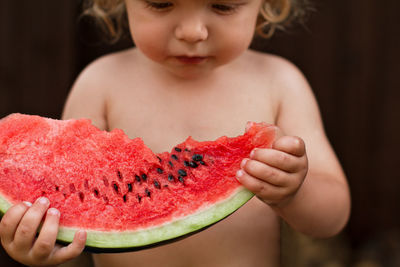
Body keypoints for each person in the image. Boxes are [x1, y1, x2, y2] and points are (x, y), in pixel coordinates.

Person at [0, 0, 351, 266]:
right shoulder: (100, 83)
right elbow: (64, 204)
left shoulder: (280, 83)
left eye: (223, 5)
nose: (192, 31)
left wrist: (293, 194)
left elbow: (332, 219)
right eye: (161, 3)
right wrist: (37, 241)